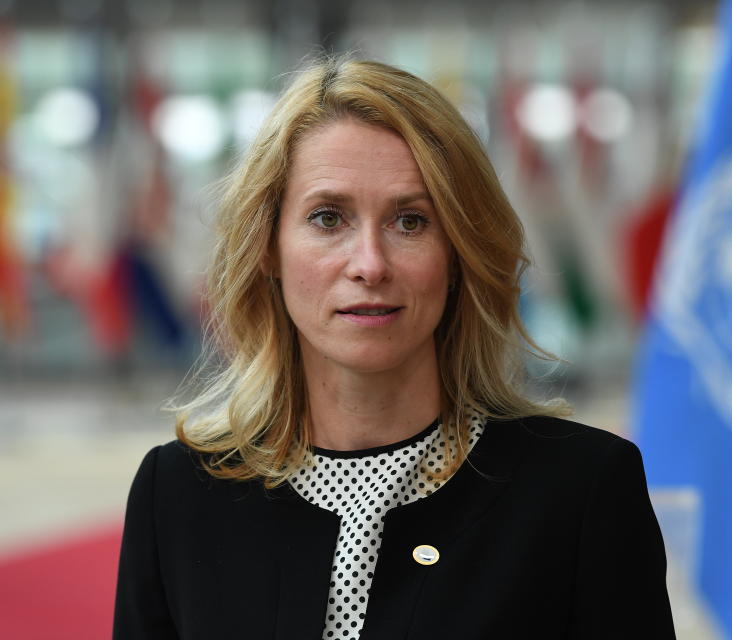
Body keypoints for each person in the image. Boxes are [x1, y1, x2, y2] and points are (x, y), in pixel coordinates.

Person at [113, 56, 675, 640]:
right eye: (328, 218)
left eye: (410, 221)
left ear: (458, 253)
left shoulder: (580, 491)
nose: (370, 264)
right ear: (267, 250)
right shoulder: (176, 494)